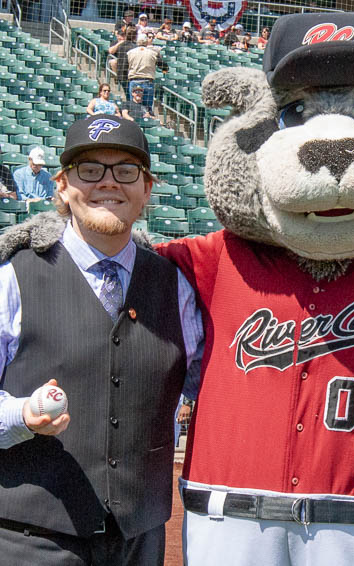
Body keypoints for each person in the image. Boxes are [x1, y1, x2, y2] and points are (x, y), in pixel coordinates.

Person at [0, 114, 203, 565]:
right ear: (62, 185)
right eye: (89, 170)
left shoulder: (178, 288)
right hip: (30, 539)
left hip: (139, 537)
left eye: (126, 171)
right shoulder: (13, 278)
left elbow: (210, 392)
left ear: (147, 189)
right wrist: (22, 413)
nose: (108, 183)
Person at [127, 35, 168, 110]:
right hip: (147, 81)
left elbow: (125, 66)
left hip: (134, 80)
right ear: (146, 42)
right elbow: (164, 66)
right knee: (147, 108)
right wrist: (165, 69)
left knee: (133, 108)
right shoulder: (153, 53)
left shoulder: (130, 53)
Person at [109, 26, 138, 100]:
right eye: (121, 35)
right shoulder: (116, 43)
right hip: (122, 69)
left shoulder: (132, 45)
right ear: (117, 35)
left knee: (129, 93)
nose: (122, 37)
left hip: (127, 70)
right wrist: (120, 43)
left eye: (124, 35)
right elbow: (111, 51)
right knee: (113, 62)